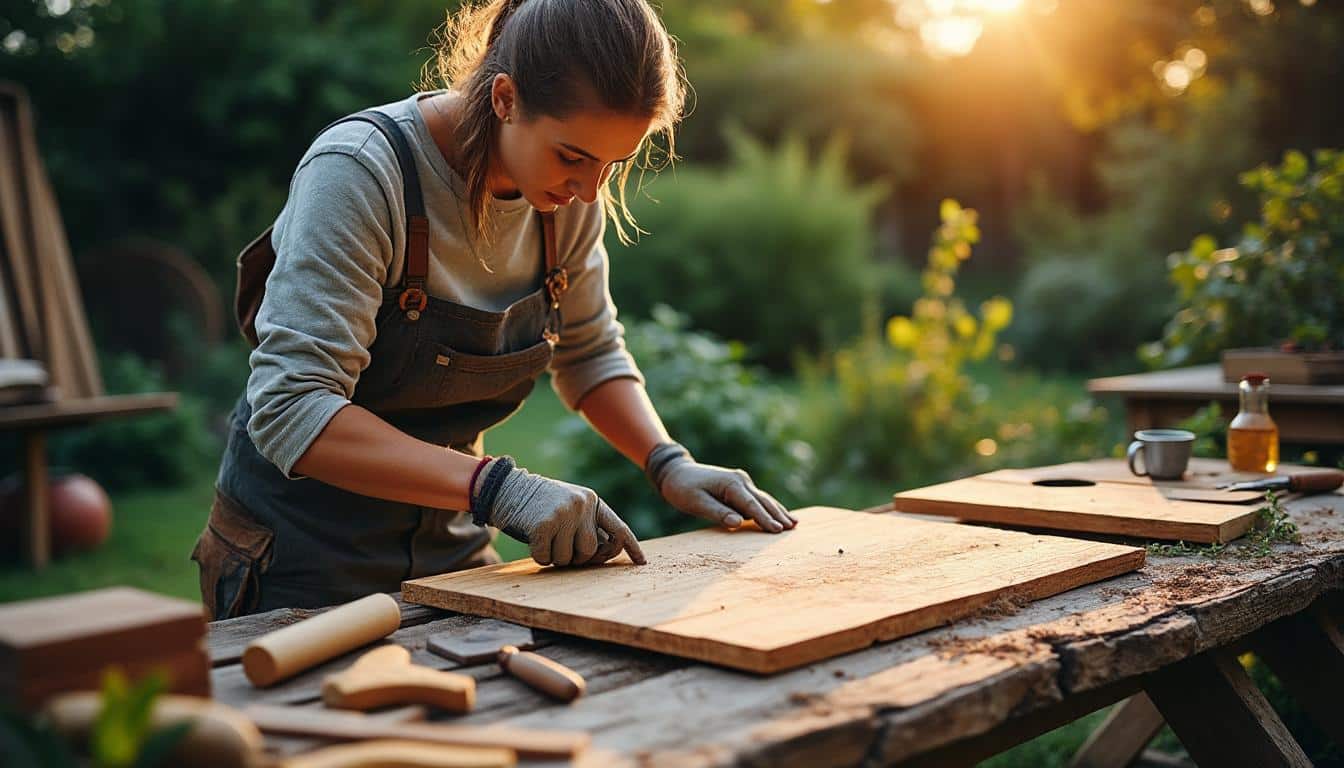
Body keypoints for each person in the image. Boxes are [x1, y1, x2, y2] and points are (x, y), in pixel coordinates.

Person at [192, 0, 796, 621]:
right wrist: (498, 489)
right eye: (573, 157)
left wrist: (669, 463)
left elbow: (589, 353)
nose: (590, 193)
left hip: (452, 549)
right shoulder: (361, 172)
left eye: (613, 164)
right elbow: (293, 407)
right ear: (505, 99)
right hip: (295, 561)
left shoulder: (568, 201)